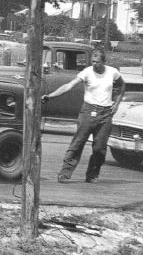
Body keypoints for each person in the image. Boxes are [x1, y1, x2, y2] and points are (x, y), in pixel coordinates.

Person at [42, 48, 125, 183]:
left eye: (97, 62)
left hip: (106, 113)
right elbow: (69, 86)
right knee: (78, 142)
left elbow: (122, 86)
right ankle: (65, 173)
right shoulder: (86, 73)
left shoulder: (112, 72)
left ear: (104, 62)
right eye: (92, 61)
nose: (94, 64)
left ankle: (92, 174)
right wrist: (50, 96)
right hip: (88, 111)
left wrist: (116, 104)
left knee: (99, 147)